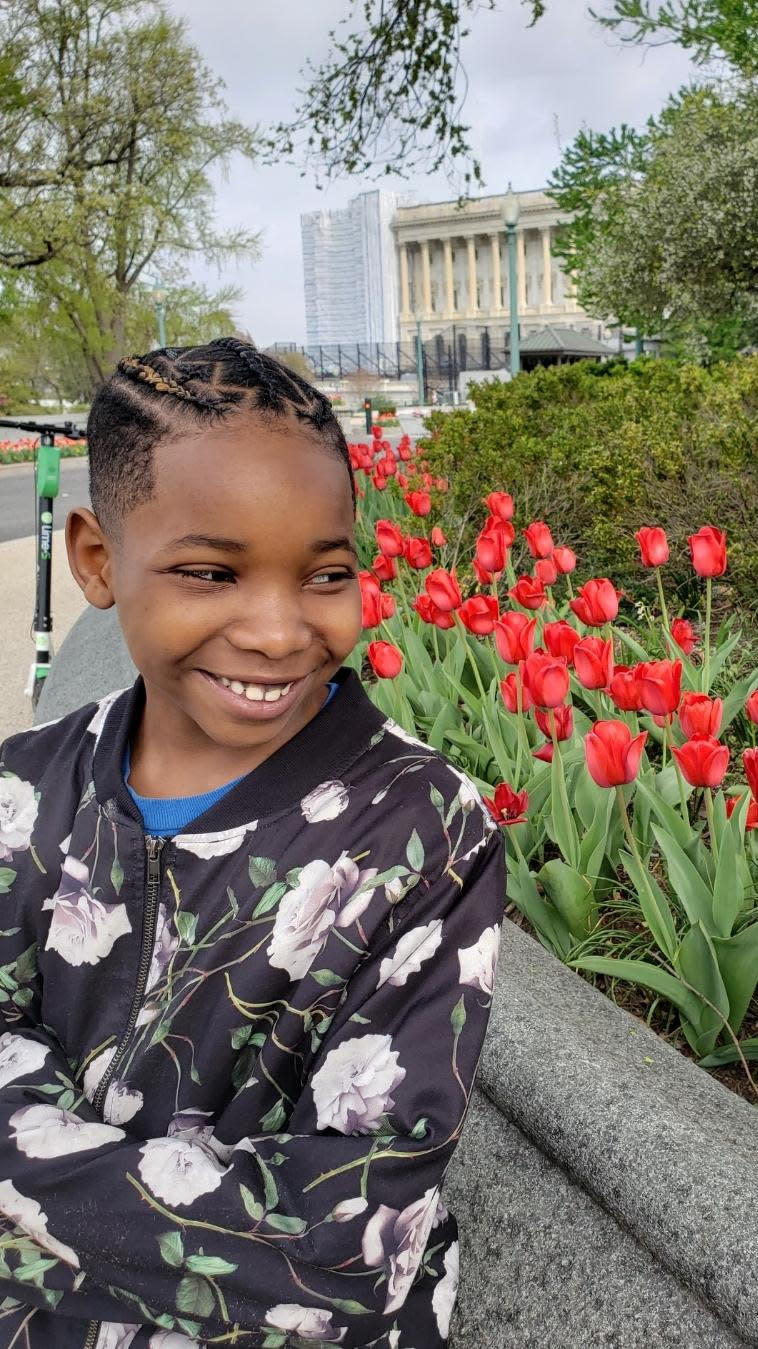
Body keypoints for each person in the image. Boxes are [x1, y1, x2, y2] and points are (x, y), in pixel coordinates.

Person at [0, 337, 505, 1349]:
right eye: (209, 571)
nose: (277, 630)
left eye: (324, 573)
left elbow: (354, 1230)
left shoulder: (423, 833)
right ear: (97, 560)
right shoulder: (23, 790)